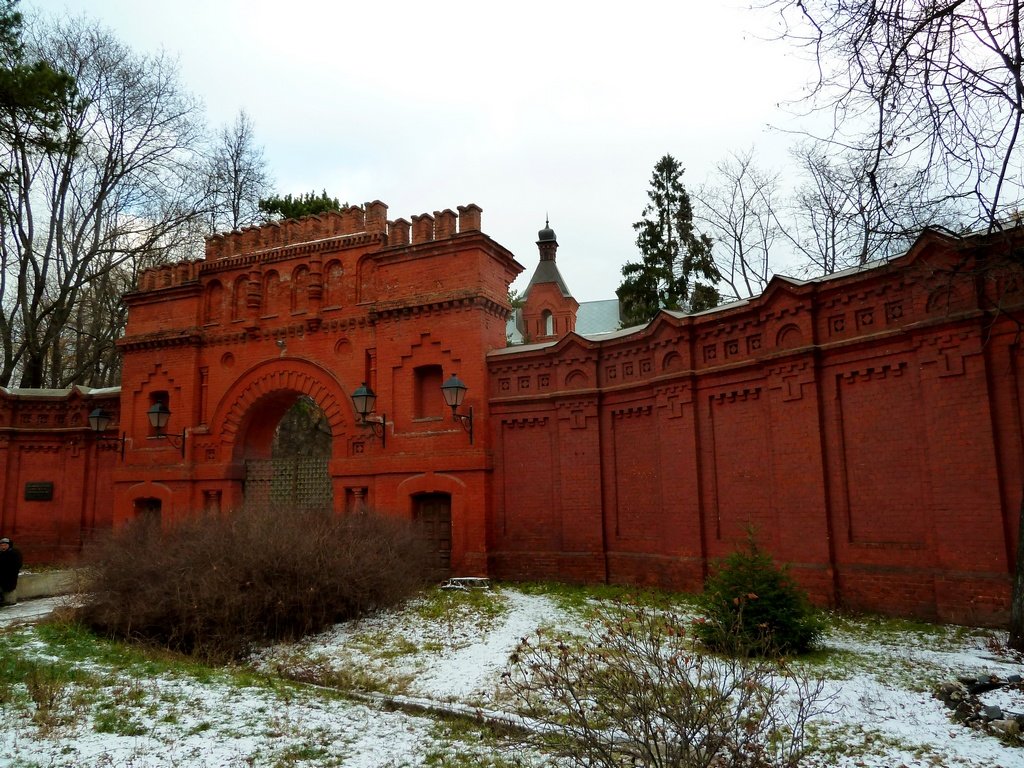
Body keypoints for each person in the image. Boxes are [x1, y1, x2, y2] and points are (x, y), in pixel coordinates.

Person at [0, 537, 22, 606]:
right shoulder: (0, 553)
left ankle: (1, 599)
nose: (3, 547)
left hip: (9, 577)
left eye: (5, 545)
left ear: (9, 545)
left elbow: (16, 566)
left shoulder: (14, 553)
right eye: (1, 545)